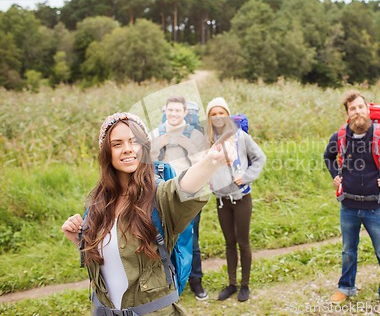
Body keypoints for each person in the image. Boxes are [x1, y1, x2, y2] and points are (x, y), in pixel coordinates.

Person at [61, 112, 234, 316]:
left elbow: (183, 189)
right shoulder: (98, 203)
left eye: (134, 142)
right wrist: (80, 239)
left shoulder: (158, 197)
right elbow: (108, 261)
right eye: (117, 144)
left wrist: (210, 162)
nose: (127, 149)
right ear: (107, 152)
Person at [323, 91, 380, 313]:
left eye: (361, 107)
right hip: (348, 206)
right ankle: (346, 287)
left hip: (375, 208)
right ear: (348, 114)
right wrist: (335, 174)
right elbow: (328, 157)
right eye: (353, 109)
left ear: (368, 110)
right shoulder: (340, 137)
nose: (357, 112)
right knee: (348, 251)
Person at [206, 97, 266, 302]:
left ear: (227, 115)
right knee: (229, 242)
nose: (218, 117)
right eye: (213, 114)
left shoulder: (240, 137)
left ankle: (245, 285)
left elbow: (260, 157)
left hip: (241, 198)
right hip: (222, 200)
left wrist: (247, 176)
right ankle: (231, 284)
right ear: (209, 118)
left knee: (243, 242)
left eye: (221, 113)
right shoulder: (208, 140)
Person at [150, 96, 209, 301]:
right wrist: (159, 145)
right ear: (165, 111)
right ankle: (170, 283)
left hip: (188, 195)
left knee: (191, 240)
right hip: (161, 196)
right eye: (170, 110)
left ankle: (196, 281)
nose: (174, 114)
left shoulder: (194, 135)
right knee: (163, 240)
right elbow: (146, 165)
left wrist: (187, 145)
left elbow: (202, 166)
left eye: (178, 111)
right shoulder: (155, 134)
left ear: (185, 112)